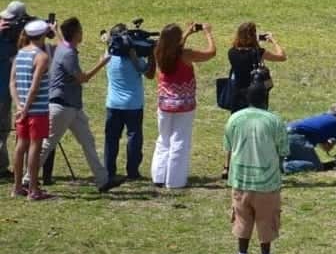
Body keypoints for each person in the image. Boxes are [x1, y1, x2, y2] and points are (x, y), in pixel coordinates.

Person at [40, 17, 115, 192]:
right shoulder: (68, 54)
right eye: (80, 31)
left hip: (72, 107)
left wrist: (57, 29)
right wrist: (102, 62)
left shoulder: (63, 46)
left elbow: (61, 40)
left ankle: (103, 180)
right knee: (47, 144)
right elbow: (83, 78)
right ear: (75, 35)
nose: (82, 33)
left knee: (88, 141)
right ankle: (27, 179)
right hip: (62, 106)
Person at [225, 83, 289, 254]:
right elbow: (283, 150)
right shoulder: (274, 121)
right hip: (267, 181)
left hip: (240, 180)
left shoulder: (234, 119)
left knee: (242, 219)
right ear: (265, 99)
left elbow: (228, 146)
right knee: (267, 220)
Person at [152, 22, 216, 189]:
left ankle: (159, 176)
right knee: (179, 141)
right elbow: (211, 53)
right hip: (184, 106)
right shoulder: (185, 55)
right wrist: (208, 33)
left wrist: (187, 33)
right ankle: (174, 180)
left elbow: (174, 49)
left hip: (164, 104)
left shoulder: (159, 52)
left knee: (163, 139)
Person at [223, 22, 286, 178]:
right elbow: (282, 56)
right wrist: (273, 40)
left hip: (237, 95)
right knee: (257, 128)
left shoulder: (231, 53)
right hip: (256, 94)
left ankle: (226, 166)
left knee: (234, 130)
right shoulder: (257, 52)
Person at [104, 23, 156, 181]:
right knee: (134, 138)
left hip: (113, 104)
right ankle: (132, 172)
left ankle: (109, 171)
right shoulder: (135, 60)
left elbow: (107, 42)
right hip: (133, 105)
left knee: (111, 139)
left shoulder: (108, 55)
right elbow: (150, 74)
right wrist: (151, 54)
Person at [9, 19, 52, 200]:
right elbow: (35, 87)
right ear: (42, 35)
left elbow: (13, 82)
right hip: (37, 110)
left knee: (20, 147)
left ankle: (17, 186)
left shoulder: (20, 54)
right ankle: (33, 189)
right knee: (35, 147)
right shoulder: (41, 56)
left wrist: (19, 105)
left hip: (22, 110)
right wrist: (26, 108)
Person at [0, 0, 31, 180]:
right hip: (3, 92)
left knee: (3, 129)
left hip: (8, 91)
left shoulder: (12, 37)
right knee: (2, 130)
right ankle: (1, 168)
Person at [284, 101, 336, 174]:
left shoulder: (324, 119)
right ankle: (281, 167)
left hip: (286, 134)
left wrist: (334, 141)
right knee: (315, 166)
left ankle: (279, 164)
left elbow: (325, 147)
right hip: (295, 137)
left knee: (298, 161)